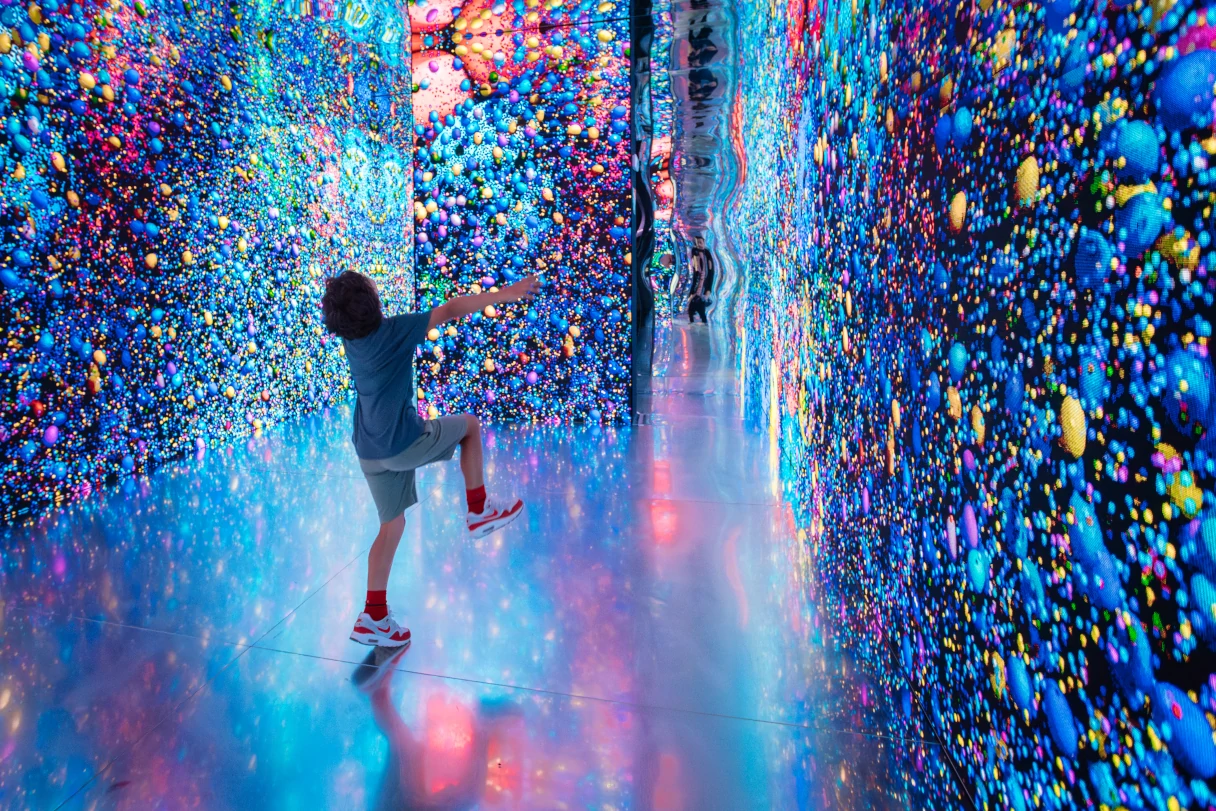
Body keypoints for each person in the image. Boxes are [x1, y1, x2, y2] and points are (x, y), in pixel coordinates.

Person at [322, 270, 540, 647]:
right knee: (470, 426)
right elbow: (452, 309)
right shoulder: (396, 330)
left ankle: (373, 616)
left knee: (390, 526)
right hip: (401, 443)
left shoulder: (350, 340)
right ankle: (478, 509)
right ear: (373, 303)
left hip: (368, 449)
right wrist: (506, 294)